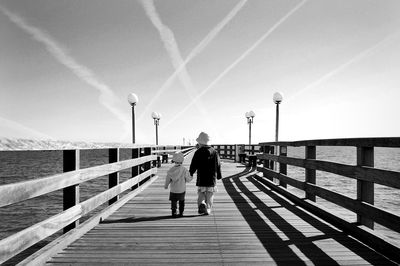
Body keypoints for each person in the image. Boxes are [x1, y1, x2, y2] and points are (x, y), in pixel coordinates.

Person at [189, 132, 222, 215]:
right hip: (211, 178)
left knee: (201, 192)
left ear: (200, 142)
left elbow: (193, 164)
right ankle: (208, 209)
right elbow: (218, 164)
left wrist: (191, 172)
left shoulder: (198, 152)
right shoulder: (214, 152)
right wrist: (219, 174)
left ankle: (202, 203)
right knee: (210, 194)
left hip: (201, 177)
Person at [164, 152, 193, 217]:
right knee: (181, 201)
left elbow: (168, 179)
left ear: (174, 160)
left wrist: (166, 186)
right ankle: (181, 212)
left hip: (173, 189)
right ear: (182, 161)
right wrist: (191, 177)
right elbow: (188, 179)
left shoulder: (171, 170)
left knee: (173, 201)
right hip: (181, 189)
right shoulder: (184, 170)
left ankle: (174, 212)